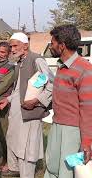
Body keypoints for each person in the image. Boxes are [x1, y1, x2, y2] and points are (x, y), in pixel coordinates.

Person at [0, 32, 54, 178]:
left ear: (26, 45)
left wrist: (37, 101)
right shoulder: (19, 62)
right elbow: (18, 89)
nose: (12, 49)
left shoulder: (37, 60)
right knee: (13, 140)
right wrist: (8, 100)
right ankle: (16, 170)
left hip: (30, 112)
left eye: (15, 45)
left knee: (27, 148)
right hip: (17, 112)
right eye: (11, 46)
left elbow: (51, 83)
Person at [44, 25, 92, 178]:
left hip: (73, 132)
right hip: (57, 125)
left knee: (67, 172)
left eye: (52, 43)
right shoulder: (61, 66)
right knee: (52, 168)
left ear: (62, 45)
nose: (51, 46)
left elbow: (88, 109)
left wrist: (86, 141)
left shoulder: (84, 69)